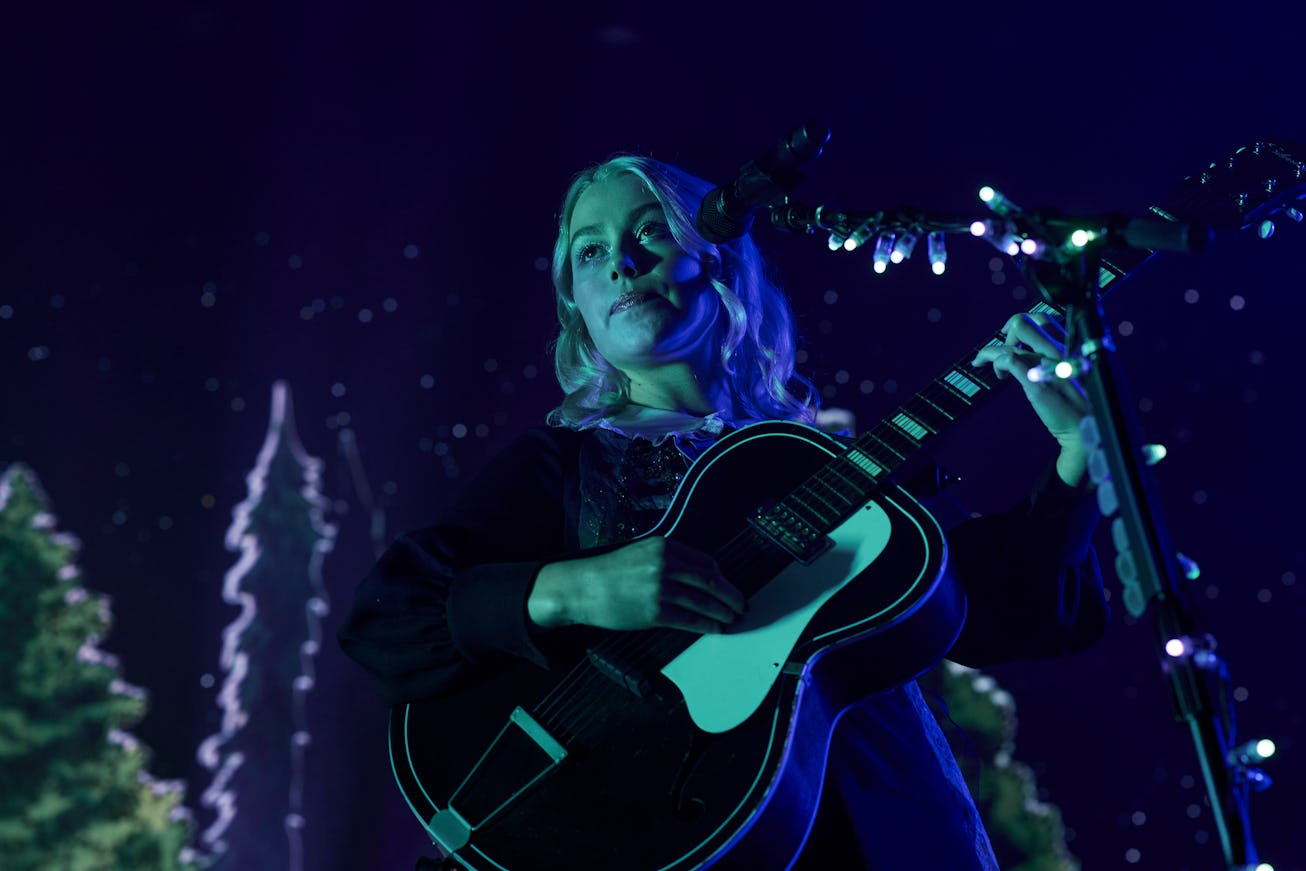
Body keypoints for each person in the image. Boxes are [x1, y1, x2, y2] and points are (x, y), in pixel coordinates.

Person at [338, 154, 1108, 869]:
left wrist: (1076, 455)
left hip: (880, 829)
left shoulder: (816, 461)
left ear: (717, 256)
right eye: (590, 251)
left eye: (649, 231)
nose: (623, 261)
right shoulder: (567, 461)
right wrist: (572, 589)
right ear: (575, 305)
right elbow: (388, 615)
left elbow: (986, 611)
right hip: (675, 835)